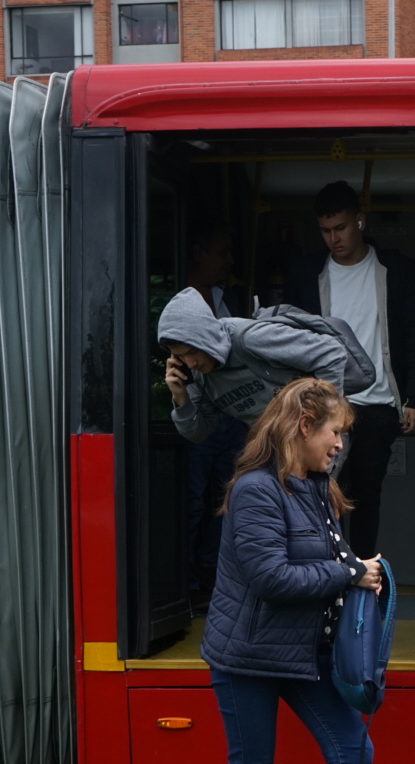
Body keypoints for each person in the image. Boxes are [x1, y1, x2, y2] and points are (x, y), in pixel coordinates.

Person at [193, 378, 414, 764]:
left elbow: (324, 566)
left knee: (352, 753)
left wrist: (361, 574)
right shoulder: (254, 490)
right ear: (303, 426)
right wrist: (349, 573)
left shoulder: (317, 487)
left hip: (300, 653)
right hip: (246, 656)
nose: (340, 445)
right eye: (335, 432)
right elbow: (272, 578)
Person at [286, 180, 415, 560]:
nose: (333, 238)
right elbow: (287, 339)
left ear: (360, 221)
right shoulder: (306, 273)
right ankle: (326, 574)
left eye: (341, 228)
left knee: (366, 496)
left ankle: (362, 576)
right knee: (318, 491)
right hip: (322, 404)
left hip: (378, 404)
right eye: (325, 231)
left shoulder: (395, 270)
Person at [158, 286, 355, 445]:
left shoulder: (250, 339)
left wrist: (324, 424)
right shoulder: (199, 375)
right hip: (274, 450)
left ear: (207, 337)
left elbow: (331, 353)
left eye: (193, 352)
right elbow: (199, 434)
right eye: (182, 357)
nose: (191, 363)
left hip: (314, 442)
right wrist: (180, 398)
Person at [182, 222, 247, 608]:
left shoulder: (230, 299)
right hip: (201, 412)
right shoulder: (179, 303)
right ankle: (186, 581)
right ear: (199, 253)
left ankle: (212, 573)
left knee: (229, 499)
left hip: (233, 416)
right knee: (191, 500)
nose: (228, 262)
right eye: (221, 253)